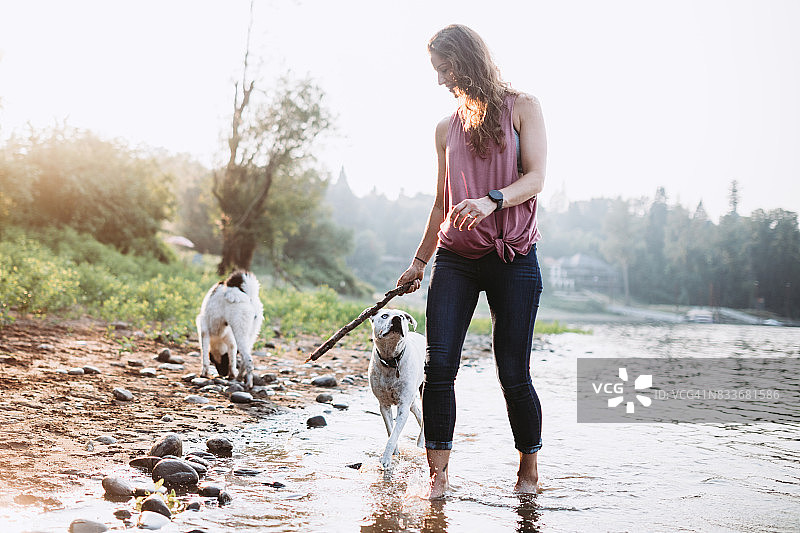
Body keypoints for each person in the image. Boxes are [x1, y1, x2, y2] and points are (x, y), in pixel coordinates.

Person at [396, 24, 546, 499]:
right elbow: (442, 203)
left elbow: (537, 177)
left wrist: (492, 200)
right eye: (437, 70)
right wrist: (419, 262)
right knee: (438, 367)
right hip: (456, 259)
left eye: (446, 68)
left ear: (468, 60)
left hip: (514, 257)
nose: (441, 79)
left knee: (513, 372)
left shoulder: (523, 107)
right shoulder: (445, 128)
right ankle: (439, 478)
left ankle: (528, 470)